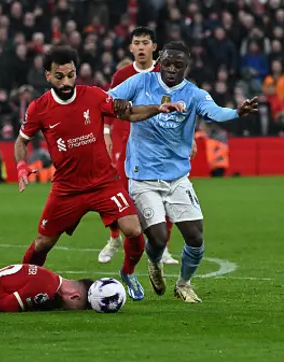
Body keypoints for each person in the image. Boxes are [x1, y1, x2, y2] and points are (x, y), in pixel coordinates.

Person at [107, 41, 258, 303]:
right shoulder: (141, 82)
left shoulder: (194, 94)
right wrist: (116, 106)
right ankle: (154, 263)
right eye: (167, 63)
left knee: (196, 237)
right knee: (158, 237)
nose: (172, 69)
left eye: (179, 65)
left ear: (186, 66)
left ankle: (184, 283)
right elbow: (108, 98)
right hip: (143, 177)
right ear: (160, 62)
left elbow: (215, 112)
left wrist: (237, 112)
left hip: (177, 178)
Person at [14, 46, 182, 274]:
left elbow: (129, 112)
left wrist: (157, 108)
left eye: (71, 75)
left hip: (103, 182)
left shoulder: (93, 95)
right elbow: (21, 141)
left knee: (133, 230)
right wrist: (22, 166)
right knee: (44, 242)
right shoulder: (39, 108)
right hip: (67, 188)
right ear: (48, 75)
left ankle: (128, 273)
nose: (66, 82)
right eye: (59, 76)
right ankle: (22, 279)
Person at [98, 27, 180, 271]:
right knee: (119, 192)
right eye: (137, 43)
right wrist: (105, 133)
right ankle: (114, 238)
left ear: (154, 47)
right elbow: (108, 106)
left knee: (165, 192)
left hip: (159, 141)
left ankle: (162, 246)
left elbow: (174, 104)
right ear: (131, 48)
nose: (142, 47)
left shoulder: (164, 72)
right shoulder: (122, 74)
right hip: (125, 138)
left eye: (146, 42)